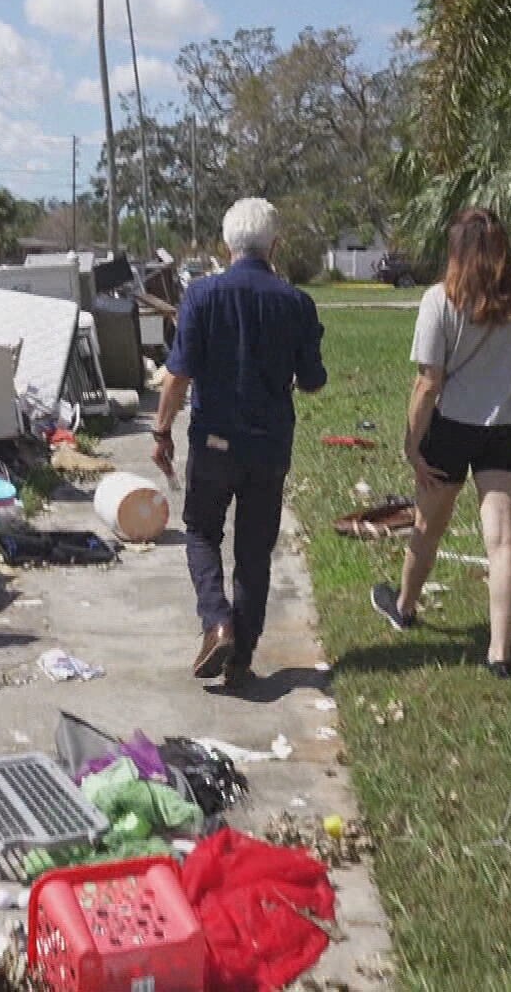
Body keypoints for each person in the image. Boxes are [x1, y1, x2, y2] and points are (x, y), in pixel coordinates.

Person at [371, 208, 511, 678]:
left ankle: (405, 607)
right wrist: (506, 395)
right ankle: (500, 653)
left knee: (427, 527)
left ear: (457, 251)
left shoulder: (440, 299)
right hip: (509, 431)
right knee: (503, 539)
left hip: (451, 428)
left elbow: (428, 383)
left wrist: (413, 446)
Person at [154, 198, 327, 687]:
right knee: (254, 551)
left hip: (214, 442)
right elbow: (313, 380)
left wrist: (162, 430)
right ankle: (242, 658)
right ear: (275, 245)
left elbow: (177, 375)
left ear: (225, 245)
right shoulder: (296, 303)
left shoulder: (201, 296)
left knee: (202, 532)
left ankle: (217, 620)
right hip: (269, 446)